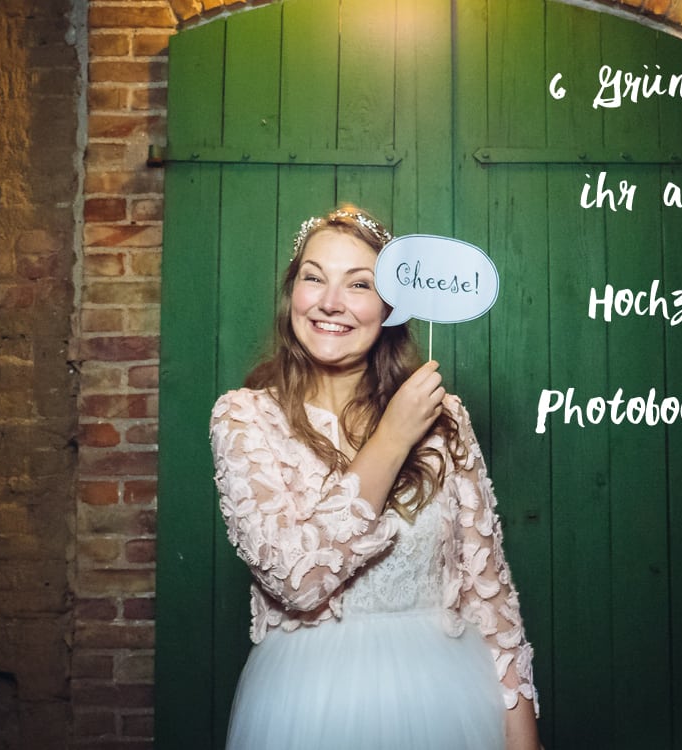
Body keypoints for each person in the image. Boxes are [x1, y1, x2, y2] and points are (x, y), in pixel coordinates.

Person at [209, 205, 540, 750]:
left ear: (391, 305)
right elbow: (297, 579)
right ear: (292, 291)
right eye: (314, 277)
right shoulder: (245, 417)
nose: (330, 302)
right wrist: (392, 438)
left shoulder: (445, 416)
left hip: (447, 702)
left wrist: (524, 739)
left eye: (359, 284)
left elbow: (491, 593)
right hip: (307, 709)